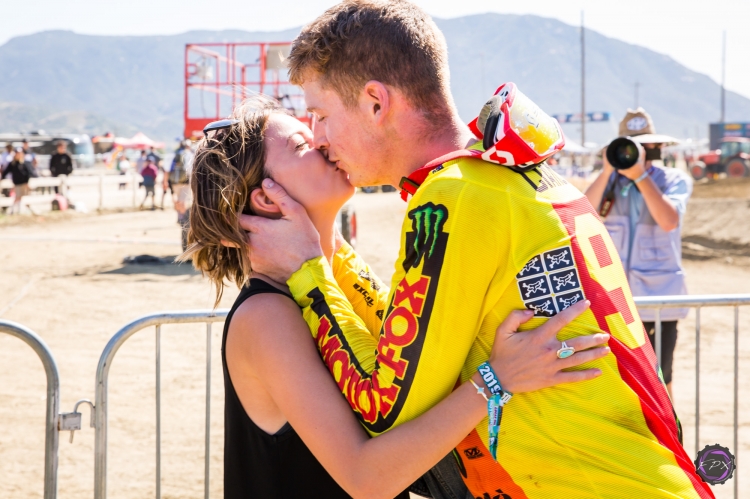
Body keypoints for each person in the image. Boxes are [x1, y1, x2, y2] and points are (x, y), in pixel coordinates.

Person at [240, 2, 713, 498]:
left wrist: (307, 272)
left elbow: (384, 406)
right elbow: (410, 349)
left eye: (320, 115)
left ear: (375, 102)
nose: (318, 138)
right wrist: (331, 251)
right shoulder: (504, 173)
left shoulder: (451, 198)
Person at [184, 97, 609, 499]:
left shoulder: (329, 282)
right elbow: (365, 478)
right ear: (267, 198)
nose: (321, 141)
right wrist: (495, 381)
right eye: (300, 144)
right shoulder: (267, 315)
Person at [584, 108, 692, 399]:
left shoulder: (672, 180)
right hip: (617, 300)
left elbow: (669, 220)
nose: (634, 153)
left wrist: (641, 175)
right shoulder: (610, 183)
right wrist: (608, 170)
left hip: (659, 300)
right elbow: (584, 214)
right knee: (620, 377)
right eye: (628, 146)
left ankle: (669, 437)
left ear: (655, 148)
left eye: (641, 146)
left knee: (661, 376)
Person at [171, 140, 193, 250]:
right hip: (186, 185)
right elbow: (189, 170)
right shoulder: (188, 154)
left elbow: (168, 170)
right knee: (187, 213)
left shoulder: (175, 155)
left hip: (175, 184)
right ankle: (187, 248)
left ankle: (180, 218)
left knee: (182, 209)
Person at [2, 148, 36, 214]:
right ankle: (13, 211)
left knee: (25, 198)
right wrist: (2, 178)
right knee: (18, 197)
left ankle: (28, 211)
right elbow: (5, 172)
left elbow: (29, 173)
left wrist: (27, 182)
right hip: (17, 184)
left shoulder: (25, 163)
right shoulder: (13, 163)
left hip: (24, 183)